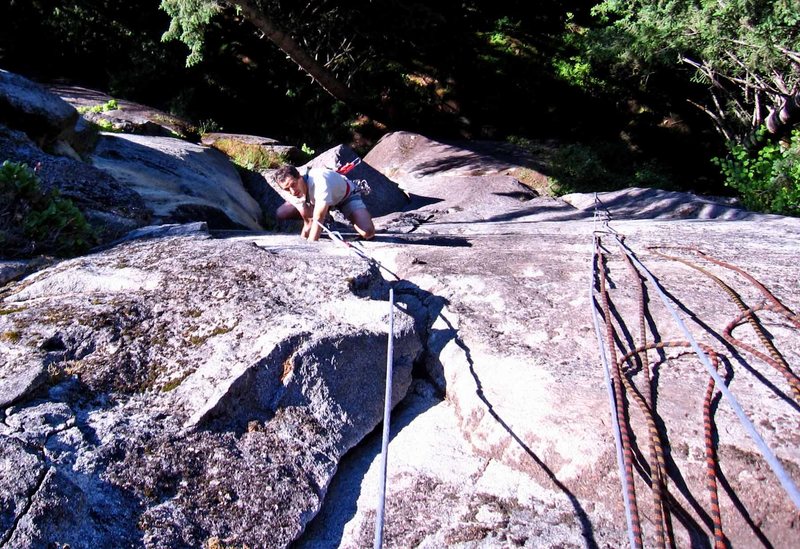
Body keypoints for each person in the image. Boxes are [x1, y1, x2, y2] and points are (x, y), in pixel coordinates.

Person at [274, 164, 375, 242]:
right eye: (287, 189)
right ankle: (327, 220)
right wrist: (303, 242)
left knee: (367, 232)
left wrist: (312, 246)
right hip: (315, 201)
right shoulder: (293, 191)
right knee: (282, 212)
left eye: (293, 185)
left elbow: (318, 218)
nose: (292, 191)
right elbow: (308, 221)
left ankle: (326, 214)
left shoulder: (319, 181)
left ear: (300, 177)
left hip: (345, 196)